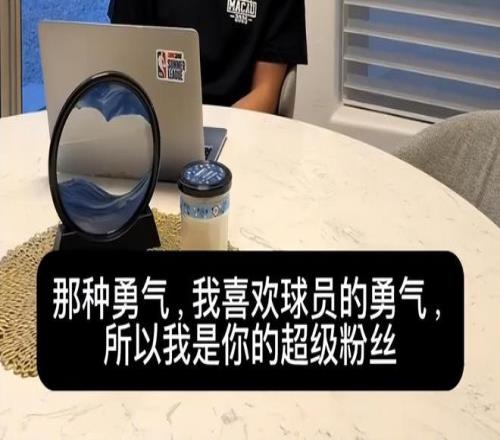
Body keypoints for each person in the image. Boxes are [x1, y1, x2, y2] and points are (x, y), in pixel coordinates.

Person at [108, 0, 308, 114]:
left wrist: (214, 134)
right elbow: (125, 67)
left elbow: (266, 92)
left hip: (238, 126)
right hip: (155, 121)